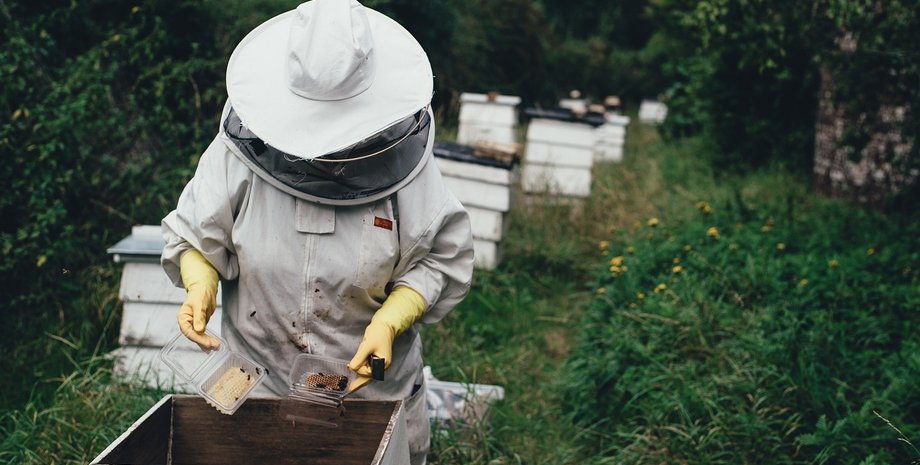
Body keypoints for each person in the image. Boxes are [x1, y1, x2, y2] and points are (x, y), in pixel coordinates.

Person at [159, 1, 474, 463]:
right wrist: (200, 282)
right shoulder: (236, 158)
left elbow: (438, 258)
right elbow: (195, 233)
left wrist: (390, 320)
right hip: (257, 388)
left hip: (370, 396)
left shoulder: (408, 171)